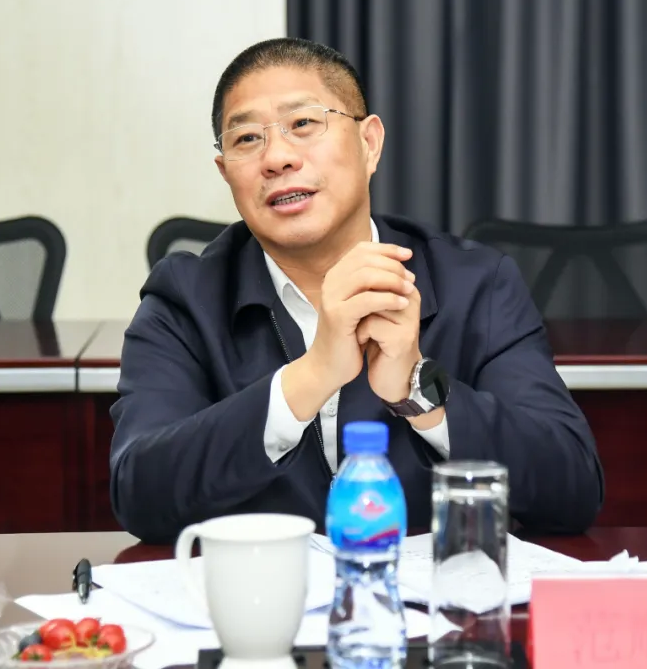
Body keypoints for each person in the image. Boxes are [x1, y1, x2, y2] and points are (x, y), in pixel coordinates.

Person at [109, 37, 604, 543]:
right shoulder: (184, 299)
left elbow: (571, 488)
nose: (277, 157)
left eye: (303, 123)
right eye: (247, 139)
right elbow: (140, 493)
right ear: (226, 172)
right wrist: (311, 376)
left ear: (369, 143)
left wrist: (417, 389)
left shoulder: (475, 283)